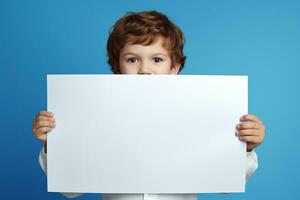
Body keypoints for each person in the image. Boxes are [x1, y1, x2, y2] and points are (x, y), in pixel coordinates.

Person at [32, 10, 266, 200]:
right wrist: (53, 145)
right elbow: (70, 189)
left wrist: (245, 148)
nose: (144, 70)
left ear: (174, 68)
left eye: (157, 59)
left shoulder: (199, 113)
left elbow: (225, 183)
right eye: (133, 59)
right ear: (118, 68)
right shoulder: (94, 117)